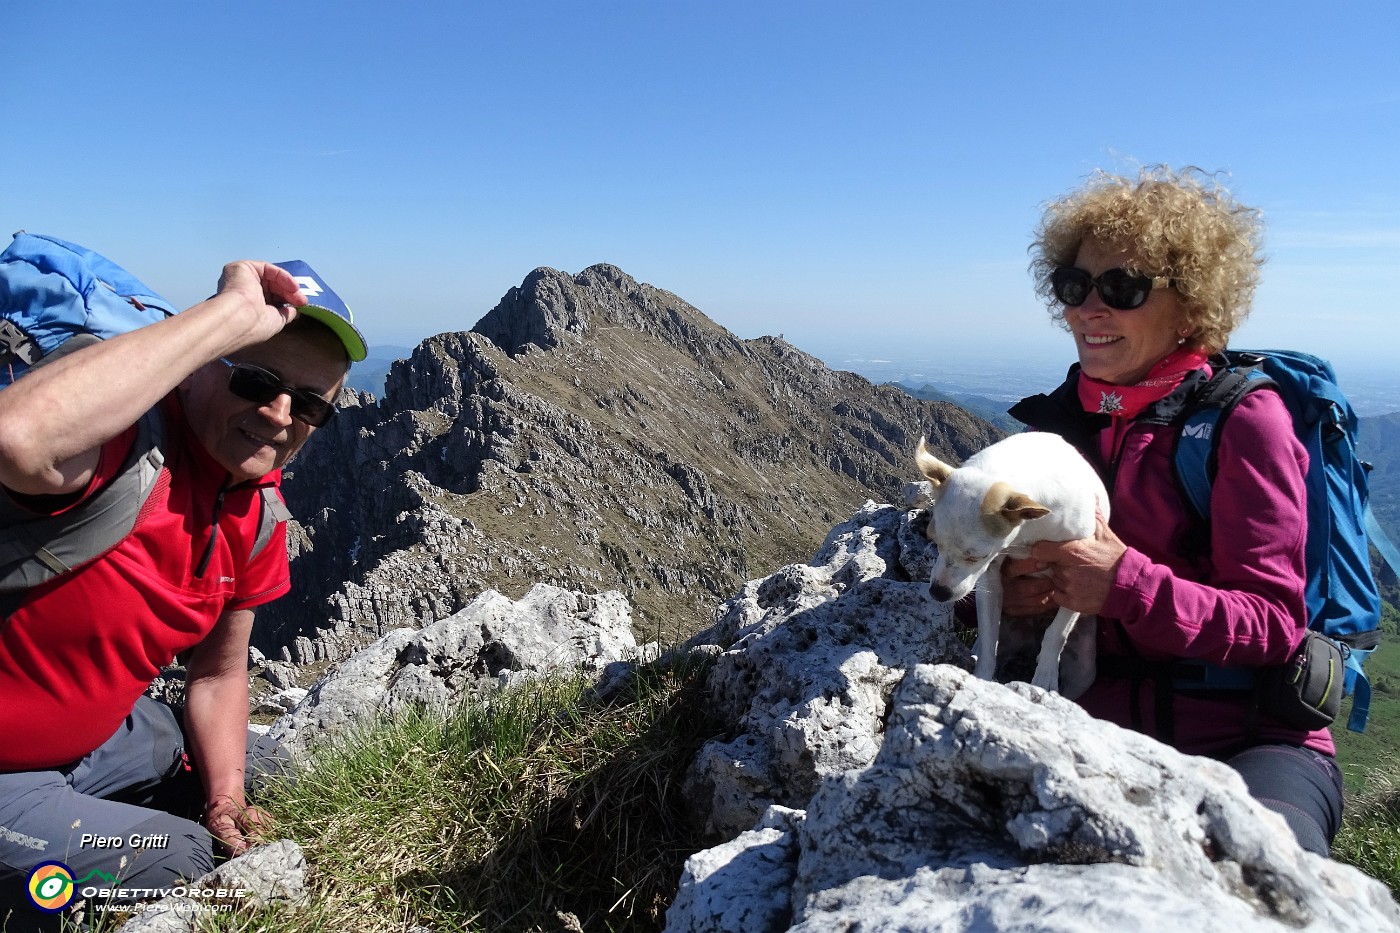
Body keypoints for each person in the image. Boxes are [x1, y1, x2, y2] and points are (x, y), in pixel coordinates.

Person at [0, 258, 367, 924]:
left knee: (283, 769)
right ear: (199, 361)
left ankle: (83, 841)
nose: (279, 414)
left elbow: (219, 674)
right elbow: (16, 439)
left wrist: (226, 794)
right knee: (187, 860)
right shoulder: (116, 444)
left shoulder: (254, 514)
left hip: (97, 743)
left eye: (310, 403)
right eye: (255, 379)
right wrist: (223, 316)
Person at [1004, 166, 1343, 857]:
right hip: (1097, 721)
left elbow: (1276, 623)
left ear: (1190, 307)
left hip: (1253, 737)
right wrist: (1013, 592)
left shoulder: (1244, 420)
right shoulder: (1057, 429)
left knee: (1258, 873)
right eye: (1075, 286)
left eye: (1123, 288)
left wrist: (1124, 584)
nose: (1089, 309)